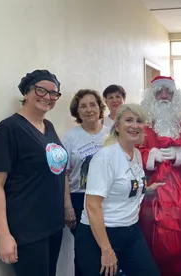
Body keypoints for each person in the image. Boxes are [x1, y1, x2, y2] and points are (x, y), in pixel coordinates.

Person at [0, 70, 71, 276]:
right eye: (41, 89)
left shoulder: (48, 126)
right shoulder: (9, 129)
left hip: (53, 224)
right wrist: (3, 234)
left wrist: (66, 206)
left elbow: (58, 171)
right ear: (26, 92)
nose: (47, 97)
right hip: (27, 229)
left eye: (54, 93)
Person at [75, 103, 163, 276]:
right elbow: (92, 206)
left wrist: (147, 189)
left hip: (131, 231)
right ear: (117, 125)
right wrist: (106, 249)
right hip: (101, 235)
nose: (134, 125)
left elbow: (126, 186)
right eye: (128, 120)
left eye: (139, 121)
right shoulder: (106, 157)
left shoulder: (135, 154)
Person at [138, 76, 181, 276]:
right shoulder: (141, 121)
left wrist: (179, 154)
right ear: (151, 96)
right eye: (159, 92)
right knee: (149, 232)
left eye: (168, 92)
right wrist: (151, 155)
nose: (164, 96)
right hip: (149, 186)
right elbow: (132, 149)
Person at [62, 89, 111, 276]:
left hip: (107, 200)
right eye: (83, 106)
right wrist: (67, 207)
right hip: (78, 198)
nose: (89, 109)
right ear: (77, 111)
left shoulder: (112, 135)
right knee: (85, 252)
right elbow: (64, 175)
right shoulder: (69, 138)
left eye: (93, 105)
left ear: (100, 108)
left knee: (107, 249)